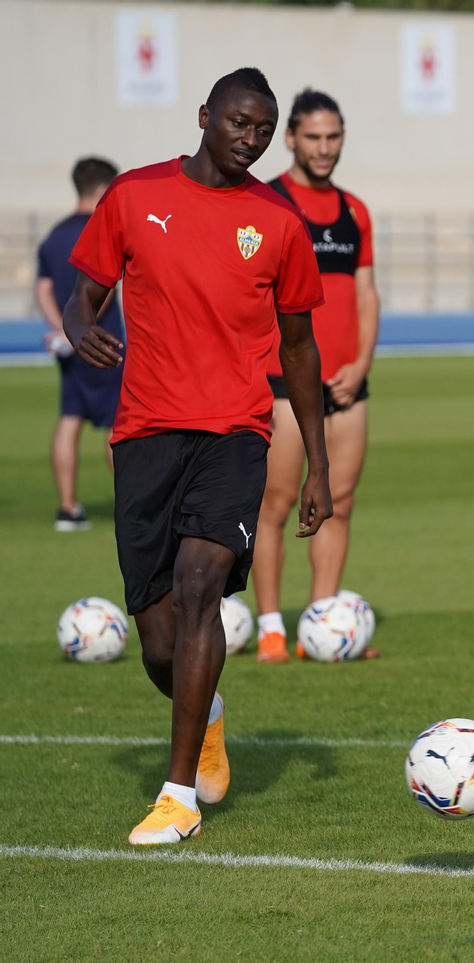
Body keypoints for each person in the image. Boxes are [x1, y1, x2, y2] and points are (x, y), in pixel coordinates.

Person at [62, 67, 331, 845]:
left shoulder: (277, 224)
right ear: (206, 115)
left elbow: (301, 348)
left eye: (263, 130)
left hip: (236, 433)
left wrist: (314, 460)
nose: (251, 140)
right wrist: (83, 327)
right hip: (144, 432)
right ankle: (206, 719)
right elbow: (87, 288)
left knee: (200, 586)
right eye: (239, 123)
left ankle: (177, 796)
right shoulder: (135, 197)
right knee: (158, 636)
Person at [252, 88, 381, 663]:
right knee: (274, 505)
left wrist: (361, 363)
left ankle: (320, 627)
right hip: (284, 383)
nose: (325, 148)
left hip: (348, 384)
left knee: (339, 502)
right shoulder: (269, 203)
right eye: (313, 137)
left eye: (334, 137)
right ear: (291, 139)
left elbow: (368, 293)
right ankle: (272, 629)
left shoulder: (355, 210)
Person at [37, 157, 123, 532]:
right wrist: (83, 328)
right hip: (104, 341)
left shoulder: (53, 235)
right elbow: (104, 288)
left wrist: (61, 331)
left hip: (68, 345)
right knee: (117, 425)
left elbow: (42, 289)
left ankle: (68, 509)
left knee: (69, 420)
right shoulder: (102, 228)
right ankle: (133, 507)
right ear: (106, 189)